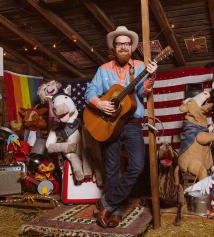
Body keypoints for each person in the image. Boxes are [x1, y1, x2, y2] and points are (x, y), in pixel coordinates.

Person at [85, 26, 158, 228]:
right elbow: (90, 91)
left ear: (132, 46)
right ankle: (115, 213)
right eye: (120, 44)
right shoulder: (103, 69)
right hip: (109, 125)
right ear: (114, 47)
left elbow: (143, 93)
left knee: (136, 166)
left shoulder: (140, 66)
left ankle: (107, 203)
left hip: (133, 125)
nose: (123, 46)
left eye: (127, 43)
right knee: (111, 170)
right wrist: (99, 103)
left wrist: (151, 77)